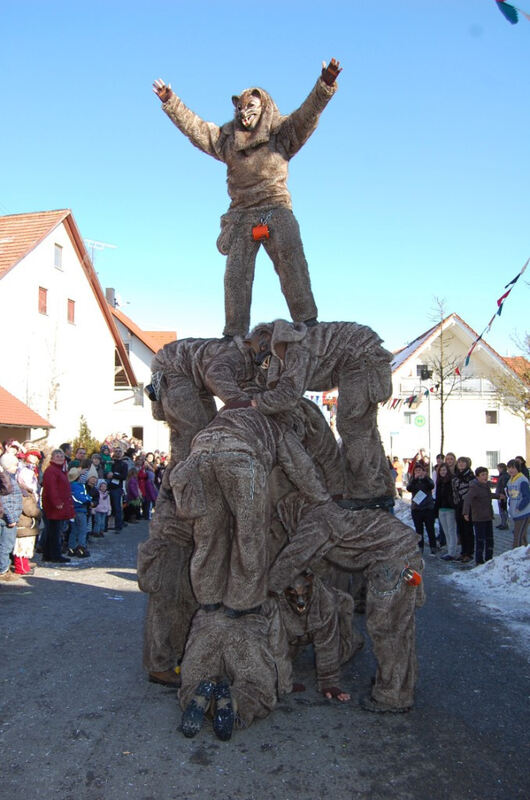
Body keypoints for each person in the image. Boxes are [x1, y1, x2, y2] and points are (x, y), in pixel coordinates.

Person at [153, 59, 341, 337]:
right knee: (235, 275)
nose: (244, 113)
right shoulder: (228, 140)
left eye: (250, 107)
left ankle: (308, 321)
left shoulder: (281, 134)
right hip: (241, 214)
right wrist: (171, 101)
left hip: (275, 207)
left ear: (263, 107)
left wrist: (324, 85)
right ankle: (234, 333)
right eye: (239, 108)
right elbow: (196, 128)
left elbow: (307, 114)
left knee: (291, 257)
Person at [40, 449, 74, 563]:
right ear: (52, 458)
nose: (60, 458)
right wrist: (57, 502)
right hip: (54, 507)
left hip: (59, 505)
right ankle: (55, 554)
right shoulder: (51, 471)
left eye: (61, 456)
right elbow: (51, 489)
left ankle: (49, 554)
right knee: (54, 531)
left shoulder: (61, 470)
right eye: (57, 456)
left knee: (53, 530)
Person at [463, 467, 495, 565]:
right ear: (477, 477)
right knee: (480, 540)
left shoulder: (486, 486)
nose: (485, 477)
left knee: (490, 539)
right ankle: (479, 560)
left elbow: (489, 495)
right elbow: (467, 499)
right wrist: (466, 513)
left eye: (486, 474)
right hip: (479, 518)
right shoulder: (474, 487)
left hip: (488, 516)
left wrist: (499, 496)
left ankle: (489, 558)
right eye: (482, 475)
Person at [0, 453, 24, 581]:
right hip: (8, 519)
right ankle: (3, 570)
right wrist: (11, 519)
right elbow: (5, 501)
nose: (17, 467)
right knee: (6, 545)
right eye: (15, 464)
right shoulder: (7, 480)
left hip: (8, 517)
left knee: (4, 545)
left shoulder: (9, 478)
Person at [406, 463, 437, 555]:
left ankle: (433, 546)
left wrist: (425, 478)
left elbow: (431, 486)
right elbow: (409, 488)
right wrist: (415, 479)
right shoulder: (413, 480)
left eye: (420, 470)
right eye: (416, 471)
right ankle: (420, 547)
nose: (418, 472)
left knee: (430, 528)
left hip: (428, 507)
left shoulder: (427, 479)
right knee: (419, 530)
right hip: (417, 508)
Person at [452, 457, 475, 563]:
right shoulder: (456, 476)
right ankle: (463, 552)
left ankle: (469, 553)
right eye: (459, 462)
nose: (461, 464)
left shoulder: (470, 476)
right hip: (458, 505)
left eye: (463, 462)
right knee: (460, 530)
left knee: (468, 530)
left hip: (468, 506)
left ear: (467, 464)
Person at [435, 463, 458, 561]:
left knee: (451, 531)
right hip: (441, 509)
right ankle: (449, 550)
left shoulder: (451, 480)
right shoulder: (439, 482)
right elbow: (438, 496)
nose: (442, 472)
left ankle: (452, 552)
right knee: (446, 531)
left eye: (444, 470)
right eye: (441, 470)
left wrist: (452, 504)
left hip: (450, 509)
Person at [67, 467, 92, 558]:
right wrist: (88, 500)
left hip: (72, 511)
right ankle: (81, 548)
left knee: (74, 530)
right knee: (82, 530)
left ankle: (71, 548)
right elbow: (80, 497)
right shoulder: (77, 486)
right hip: (80, 510)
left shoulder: (69, 485)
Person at [506, 459, 530, 548]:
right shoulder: (510, 480)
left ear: (518, 468)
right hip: (515, 513)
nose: (510, 470)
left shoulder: (522, 480)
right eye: (509, 468)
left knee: (518, 535)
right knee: (522, 536)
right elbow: (511, 496)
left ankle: (515, 554)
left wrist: (520, 507)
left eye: (513, 468)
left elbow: (527, 497)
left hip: (523, 512)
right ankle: (525, 555)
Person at [108, 448, 128, 532]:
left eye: (120, 451)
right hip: (106, 487)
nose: (118, 453)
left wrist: (113, 475)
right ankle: (106, 526)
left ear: (122, 453)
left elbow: (124, 476)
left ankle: (118, 526)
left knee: (117, 507)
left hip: (117, 488)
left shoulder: (124, 464)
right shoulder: (110, 462)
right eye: (116, 451)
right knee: (107, 507)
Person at [495, 463, 510, 530]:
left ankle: (505, 524)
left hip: (502, 495)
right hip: (500, 494)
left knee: (503, 509)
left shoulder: (504, 476)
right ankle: (503, 523)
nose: (497, 469)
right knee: (501, 509)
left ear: (501, 468)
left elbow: (504, 486)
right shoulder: (502, 475)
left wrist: (503, 494)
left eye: (498, 468)